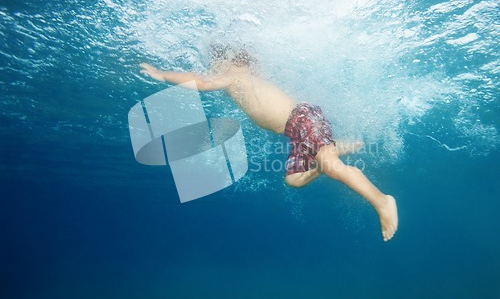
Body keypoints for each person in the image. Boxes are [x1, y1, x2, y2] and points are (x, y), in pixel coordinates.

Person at [139, 46, 398, 241]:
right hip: (296, 130)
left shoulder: (237, 77)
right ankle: (329, 151)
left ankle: (381, 201)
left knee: (332, 168)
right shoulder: (245, 80)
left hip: (302, 120)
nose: (214, 70)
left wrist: (162, 75)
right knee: (294, 180)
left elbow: (202, 82)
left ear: (232, 64)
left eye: (217, 65)